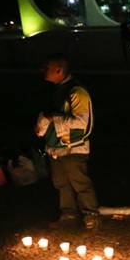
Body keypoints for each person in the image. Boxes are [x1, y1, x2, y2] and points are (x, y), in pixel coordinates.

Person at [35, 54, 99, 230]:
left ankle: (91, 214)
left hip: (74, 147)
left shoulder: (77, 92)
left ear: (59, 69)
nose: (43, 70)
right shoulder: (56, 90)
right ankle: (68, 213)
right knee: (61, 182)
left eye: (47, 67)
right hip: (56, 148)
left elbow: (82, 123)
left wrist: (51, 118)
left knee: (80, 182)